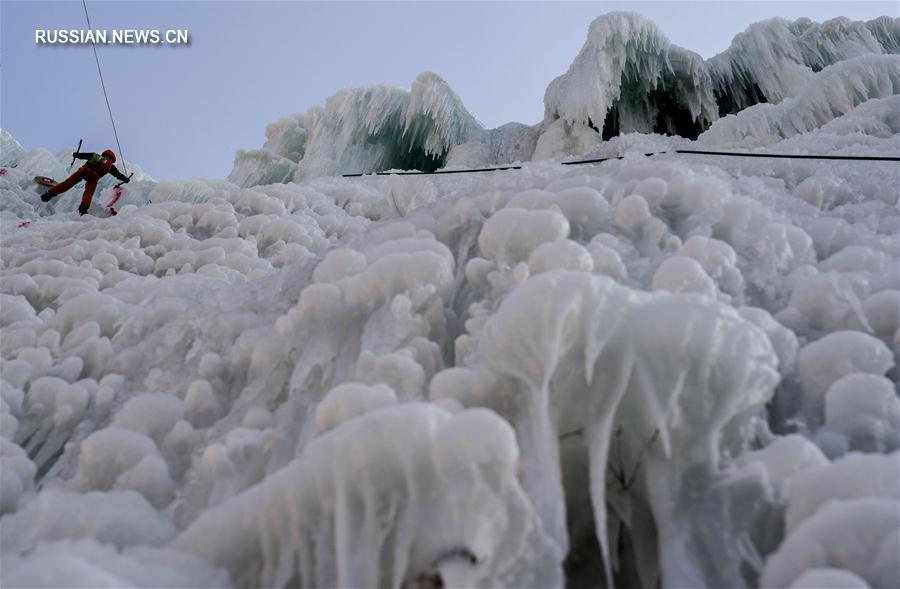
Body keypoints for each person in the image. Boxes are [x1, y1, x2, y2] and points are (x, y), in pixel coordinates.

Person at [41, 149, 130, 215]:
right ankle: (83, 208)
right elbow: (118, 175)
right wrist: (125, 179)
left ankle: (49, 194)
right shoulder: (110, 166)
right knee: (89, 192)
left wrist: (76, 154)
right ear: (112, 159)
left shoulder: (96, 156)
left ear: (104, 154)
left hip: (84, 170)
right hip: (94, 176)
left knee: (67, 183)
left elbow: (84, 155)